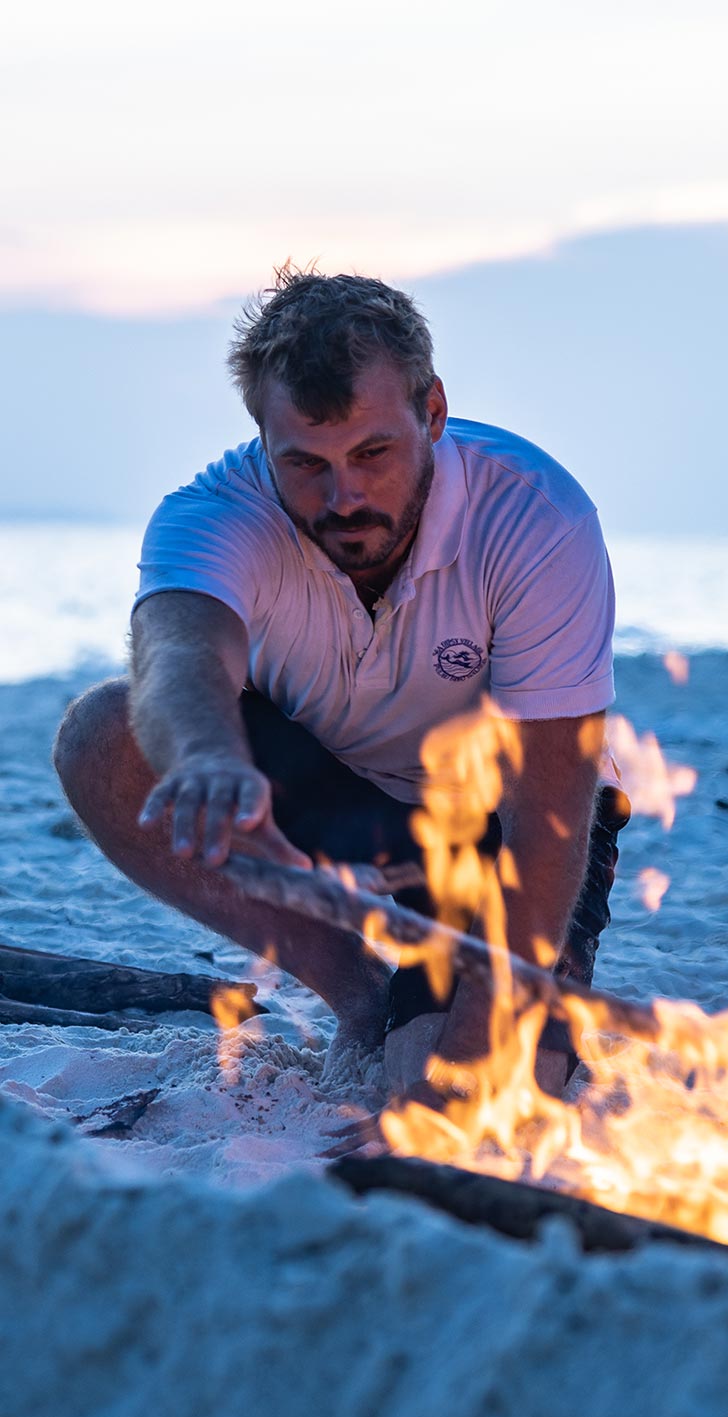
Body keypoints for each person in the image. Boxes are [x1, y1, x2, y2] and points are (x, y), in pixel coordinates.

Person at [53, 269, 629, 1093]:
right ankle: (360, 995)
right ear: (263, 438)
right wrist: (208, 754)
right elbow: (177, 651)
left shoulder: (536, 515)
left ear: (432, 413)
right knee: (102, 736)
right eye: (306, 463)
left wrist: (462, 1060)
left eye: (372, 453)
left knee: (467, 1078)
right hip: (341, 798)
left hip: (508, 819)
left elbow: (549, 821)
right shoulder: (216, 510)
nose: (344, 495)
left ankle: (437, 1012)